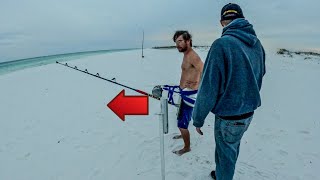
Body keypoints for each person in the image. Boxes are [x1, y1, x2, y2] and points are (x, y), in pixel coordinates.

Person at [192, 3, 266, 180]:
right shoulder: (257, 44)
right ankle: (220, 174)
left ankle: (222, 175)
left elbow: (208, 88)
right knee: (231, 149)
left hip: (230, 117)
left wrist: (198, 118)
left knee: (226, 154)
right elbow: (260, 74)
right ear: (242, 19)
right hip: (248, 113)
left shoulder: (221, 44)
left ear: (222, 23)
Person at [172, 30, 203, 156]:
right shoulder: (186, 54)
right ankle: (183, 134)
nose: (177, 44)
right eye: (176, 42)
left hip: (190, 94)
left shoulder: (192, 56)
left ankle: (187, 147)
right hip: (184, 92)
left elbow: (205, 71)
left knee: (182, 124)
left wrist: (196, 84)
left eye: (180, 41)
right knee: (181, 118)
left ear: (188, 41)